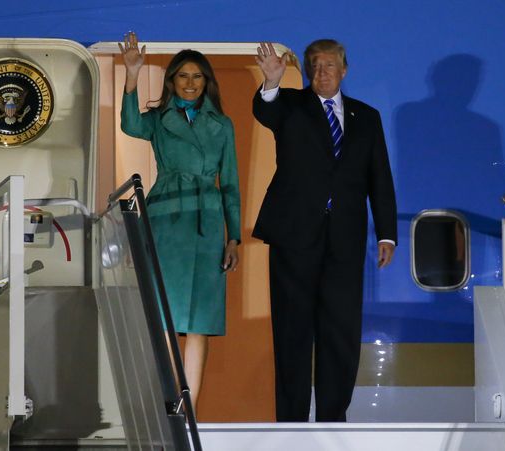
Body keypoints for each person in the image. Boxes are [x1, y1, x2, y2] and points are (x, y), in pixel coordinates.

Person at [252, 40, 397, 422]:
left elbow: (379, 177)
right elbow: (265, 110)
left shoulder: (368, 117)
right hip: (294, 237)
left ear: (344, 70)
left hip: (345, 241)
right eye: (315, 66)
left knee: (341, 333)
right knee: (292, 332)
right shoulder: (289, 106)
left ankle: (334, 419)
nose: (322, 72)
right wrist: (270, 81)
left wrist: (386, 233)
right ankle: (292, 424)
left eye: (329, 66)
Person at [119, 32, 241, 414]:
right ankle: (167, 404)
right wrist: (132, 77)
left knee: (200, 322)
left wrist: (234, 237)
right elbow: (129, 125)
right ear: (172, 82)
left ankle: (189, 410)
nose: (190, 83)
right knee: (167, 318)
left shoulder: (222, 125)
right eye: (183, 76)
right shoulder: (158, 120)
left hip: (207, 223)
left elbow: (231, 183)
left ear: (207, 82)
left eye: (197, 76)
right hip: (167, 221)